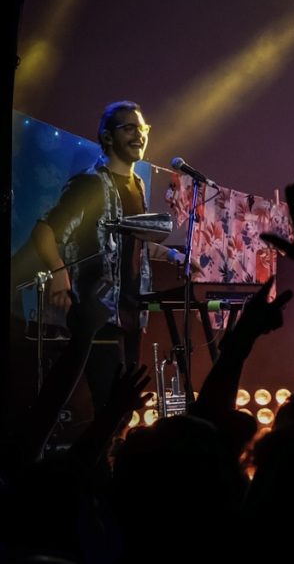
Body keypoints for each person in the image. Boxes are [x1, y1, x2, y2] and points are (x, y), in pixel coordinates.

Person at [29, 101, 181, 412]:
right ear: (108, 137)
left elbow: (133, 242)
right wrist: (58, 272)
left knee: (124, 408)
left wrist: (173, 255)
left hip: (132, 314)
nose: (139, 135)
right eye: (130, 128)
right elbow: (44, 231)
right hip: (97, 314)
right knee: (108, 406)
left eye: (143, 128)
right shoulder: (90, 183)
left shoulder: (138, 184)